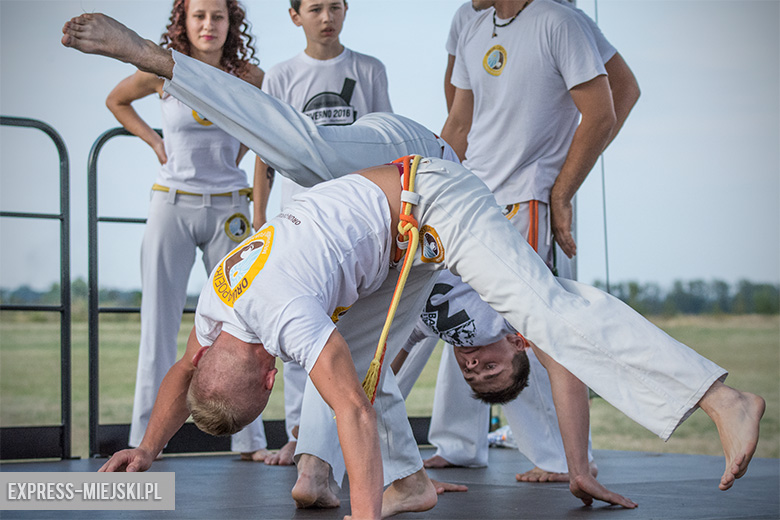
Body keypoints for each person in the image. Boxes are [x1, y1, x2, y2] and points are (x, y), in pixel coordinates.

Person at [62, 12, 764, 517]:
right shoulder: (221, 305)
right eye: (487, 369)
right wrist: (149, 451)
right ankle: (406, 481)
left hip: (424, 181)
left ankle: (719, 396)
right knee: (364, 367)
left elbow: (544, 339)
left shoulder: (289, 319)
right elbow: (190, 372)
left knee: (312, 156)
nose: (476, 365)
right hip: (404, 246)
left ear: (271, 368)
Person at [414, 0, 642, 476]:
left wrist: (562, 188)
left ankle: (559, 458)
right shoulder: (474, 22)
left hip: (523, 200)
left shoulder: (560, 21)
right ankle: (459, 444)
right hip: (468, 196)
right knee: (458, 323)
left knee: (526, 330)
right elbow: (458, 122)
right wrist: (426, 194)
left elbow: (615, 99)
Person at [105, 0, 268, 460]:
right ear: (185, 22)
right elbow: (116, 99)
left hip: (230, 210)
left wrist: (241, 172)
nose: (208, 25)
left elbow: (265, 138)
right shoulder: (162, 69)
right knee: (157, 325)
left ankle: (251, 441)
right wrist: (154, 141)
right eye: (199, 16)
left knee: (243, 324)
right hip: (171, 205)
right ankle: (143, 441)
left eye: (218, 16)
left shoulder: (249, 76)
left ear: (230, 22)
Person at [254, 0, 394, 466]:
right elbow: (264, 151)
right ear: (295, 16)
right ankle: (299, 436)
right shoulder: (280, 76)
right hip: (296, 219)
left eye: (335, 6)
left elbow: (387, 141)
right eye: (315, 8)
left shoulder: (368, 70)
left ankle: (348, 443)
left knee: (356, 334)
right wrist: (259, 220)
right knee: (296, 334)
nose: (326, 17)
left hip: (355, 219)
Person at [393, 269, 598, 481]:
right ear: (518, 342)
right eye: (490, 367)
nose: (472, 364)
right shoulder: (508, 317)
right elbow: (562, 368)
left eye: (469, 373)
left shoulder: (423, 328)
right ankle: (559, 460)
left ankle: (461, 447)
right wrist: (580, 469)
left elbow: (383, 372)